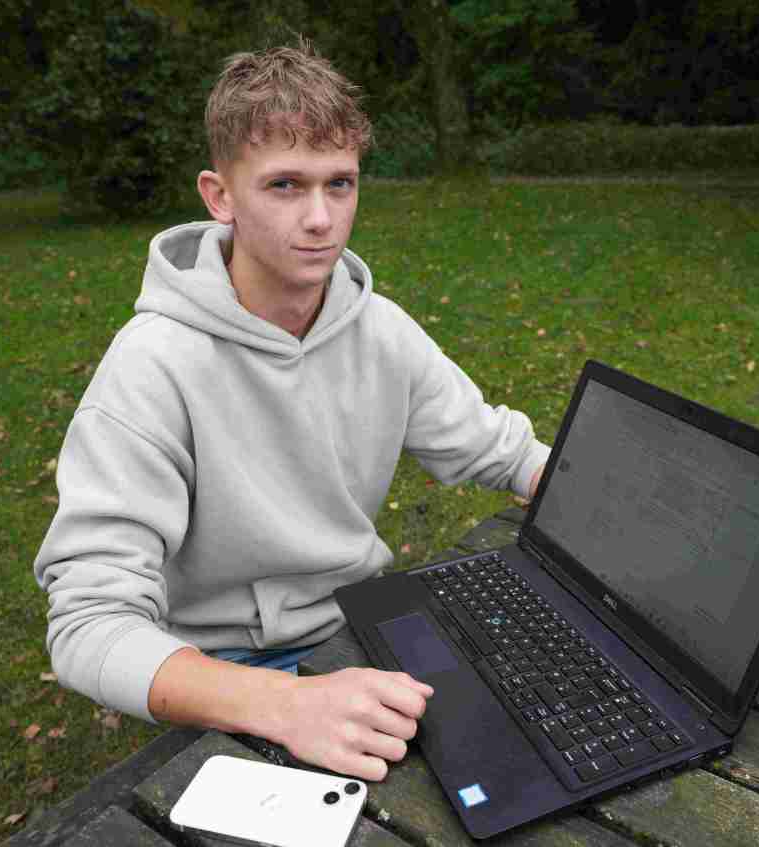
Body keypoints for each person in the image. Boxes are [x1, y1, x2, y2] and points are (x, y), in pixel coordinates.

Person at [34, 40, 549, 782]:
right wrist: (285, 702)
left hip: (365, 626)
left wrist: (601, 499)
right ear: (219, 195)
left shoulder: (380, 330)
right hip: (223, 670)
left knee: (532, 762)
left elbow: (502, 451)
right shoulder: (151, 368)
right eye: (284, 185)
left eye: (340, 183)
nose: (321, 219)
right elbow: (87, 626)